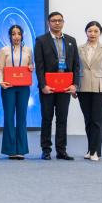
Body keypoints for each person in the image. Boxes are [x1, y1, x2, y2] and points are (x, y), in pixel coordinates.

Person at [36, 11, 82, 159]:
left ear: (63, 22)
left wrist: (75, 84)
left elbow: (76, 65)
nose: (57, 23)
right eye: (54, 20)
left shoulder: (71, 40)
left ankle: (61, 150)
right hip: (48, 87)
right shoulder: (41, 40)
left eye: (60, 20)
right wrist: (43, 85)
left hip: (65, 86)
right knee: (47, 118)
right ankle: (46, 150)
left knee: (62, 119)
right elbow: (39, 66)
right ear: (48, 23)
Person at [78, 22, 102, 161]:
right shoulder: (79, 49)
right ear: (86, 32)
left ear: (100, 33)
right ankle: (90, 149)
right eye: (90, 31)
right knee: (88, 120)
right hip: (83, 87)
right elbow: (76, 68)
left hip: (100, 88)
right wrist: (74, 86)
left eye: (95, 31)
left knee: (97, 120)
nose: (92, 34)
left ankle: (95, 151)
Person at [0, 23, 33, 158]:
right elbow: (1, 68)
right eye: (13, 34)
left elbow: (30, 65)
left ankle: (21, 150)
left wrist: (31, 67)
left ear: (22, 36)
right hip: (8, 87)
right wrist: (1, 82)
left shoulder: (28, 50)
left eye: (19, 34)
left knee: (22, 117)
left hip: (24, 87)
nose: (16, 36)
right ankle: (10, 150)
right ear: (10, 36)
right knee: (8, 117)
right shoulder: (4, 50)